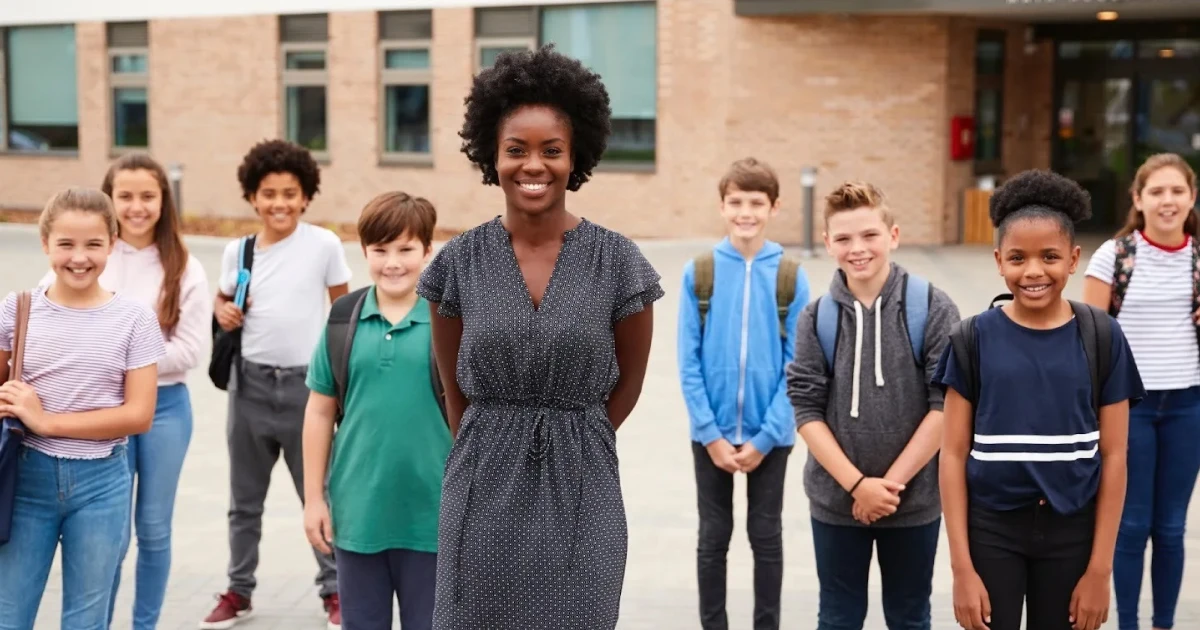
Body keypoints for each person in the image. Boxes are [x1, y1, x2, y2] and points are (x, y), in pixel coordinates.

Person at [416, 44, 663, 630]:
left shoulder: (618, 261)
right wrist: (495, 443)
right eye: (516, 150)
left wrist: (575, 437)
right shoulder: (459, 263)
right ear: (491, 156)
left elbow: (627, 386)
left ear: (575, 156)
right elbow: (454, 389)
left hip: (585, 488)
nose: (534, 165)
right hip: (481, 485)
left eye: (552, 150)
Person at [935, 169, 1145, 630]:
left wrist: (1099, 571)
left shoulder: (1102, 336)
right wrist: (961, 570)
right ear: (998, 261)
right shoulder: (971, 338)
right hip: (991, 531)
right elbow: (951, 455)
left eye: (1049, 256)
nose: (1033, 271)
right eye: (1017, 258)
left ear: (1073, 259)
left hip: (1073, 531)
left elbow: (1114, 456)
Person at [786, 181, 960, 630]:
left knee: (909, 614)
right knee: (839, 616)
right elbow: (805, 410)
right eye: (843, 239)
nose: (857, 249)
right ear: (827, 244)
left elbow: (948, 405)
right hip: (835, 501)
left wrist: (889, 487)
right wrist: (858, 486)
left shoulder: (932, 307)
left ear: (893, 236)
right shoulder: (815, 317)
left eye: (869, 235)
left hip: (916, 500)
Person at [200, 139, 352, 630]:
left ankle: (336, 592)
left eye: (290, 193)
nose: (279, 203)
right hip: (250, 388)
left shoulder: (323, 245)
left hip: (308, 392)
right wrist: (222, 312)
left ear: (306, 196)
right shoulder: (237, 250)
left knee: (321, 495)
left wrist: (341, 384)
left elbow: (343, 313)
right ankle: (238, 591)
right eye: (268, 193)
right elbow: (224, 307)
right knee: (244, 503)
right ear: (252, 197)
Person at [0, 188, 166, 628]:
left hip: (102, 485)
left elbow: (139, 415)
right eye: (65, 244)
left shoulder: (134, 319)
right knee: (9, 615)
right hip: (23, 482)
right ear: (44, 244)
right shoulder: (16, 311)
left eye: (93, 244)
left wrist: (47, 420)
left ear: (113, 243)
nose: (79, 257)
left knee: (87, 620)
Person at [69, 153, 210, 630]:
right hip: (105, 413)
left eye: (147, 196)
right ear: (108, 199)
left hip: (167, 410)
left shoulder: (185, 266)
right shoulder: (87, 258)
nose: (136, 206)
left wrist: (126, 362)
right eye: (124, 196)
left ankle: (144, 625)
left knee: (152, 530)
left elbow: (190, 350)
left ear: (162, 201)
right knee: (110, 534)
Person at [302, 191, 452, 630]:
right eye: (380, 250)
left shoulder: (451, 322)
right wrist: (315, 499)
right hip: (358, 518)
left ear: (428, 250)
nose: (393, 263)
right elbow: (318, 412)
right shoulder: (343, 318)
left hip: (434, 519)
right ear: (363, 251)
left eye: (406, 249)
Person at [677, 157, 809, 630]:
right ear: (722, 206)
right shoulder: (700, 271)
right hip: (709, 434)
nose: (745, 212)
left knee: (766, 536)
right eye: (736, 202)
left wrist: (767, 437)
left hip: (769, 435)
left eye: (756, 202)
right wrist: (709, 433)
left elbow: (799, 366)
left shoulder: (791, 275)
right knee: (713, 538)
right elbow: (687, 361)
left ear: (774, 208)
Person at [1080, 153, 1200, 630]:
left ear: (1191, 198)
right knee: (1130, 526)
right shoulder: (1114, 256)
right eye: (1156, 191)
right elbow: (1088, 340)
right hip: (1131, 409)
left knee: (1171, 529)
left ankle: (1163, 623)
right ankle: (1126, 622)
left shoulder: (1198, 258)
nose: (1167, 201)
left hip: (1189, 407)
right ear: (1138, 199)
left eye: (1177, 191)